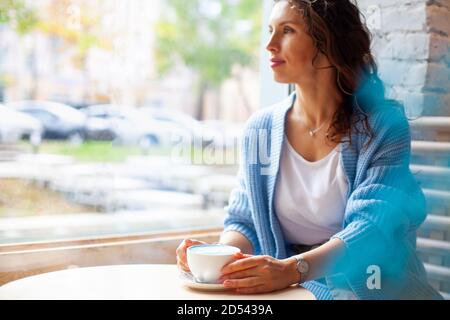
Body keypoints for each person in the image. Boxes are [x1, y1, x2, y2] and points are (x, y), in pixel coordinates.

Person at [176, 0, 443, 300]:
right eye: (270, 31)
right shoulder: (260, 128)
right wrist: (218, 258)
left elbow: (372, 229)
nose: (270, 45)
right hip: (295, 290)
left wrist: (291, 270)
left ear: (328, 42)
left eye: (287, 30)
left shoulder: (383, 127)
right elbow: (244, 221)